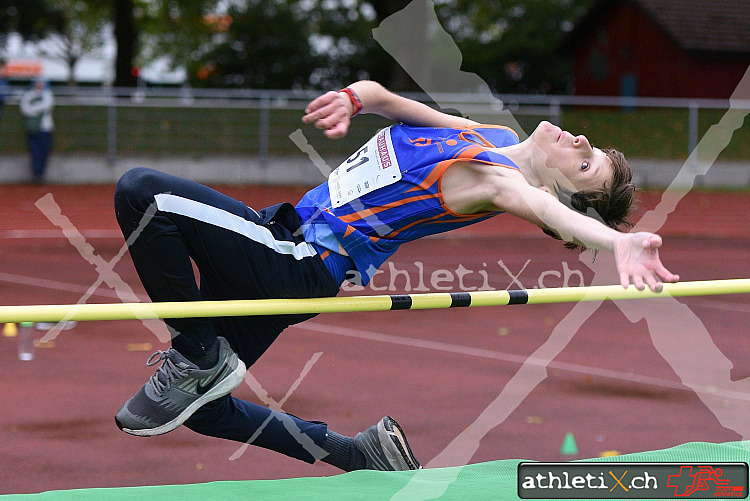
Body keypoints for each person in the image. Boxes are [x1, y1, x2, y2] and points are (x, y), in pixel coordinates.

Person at [113, 80, 678, 472]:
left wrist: (618, 241)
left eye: (584, 166)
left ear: (557, 192)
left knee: (144, 193)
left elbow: (553, 216)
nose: (581, 142)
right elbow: (390, 102)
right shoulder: (493, 138)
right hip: (285, 246)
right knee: (203, 408)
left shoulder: (499, 181)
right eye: (593, 149)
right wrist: (354, 99)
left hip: (297, 260)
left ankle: (194, 355)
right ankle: (357, 454)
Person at [19, 78, 54, 184]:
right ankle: (37, 174)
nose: (39, 84)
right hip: (32, 128)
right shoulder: (29, 94)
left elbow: (47, 105)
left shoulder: (47, 94)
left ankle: (41, 174)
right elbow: (24, 109)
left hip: (46, 128)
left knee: (44, 152)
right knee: (35, 152)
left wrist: (33, 108)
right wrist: (38, 108)